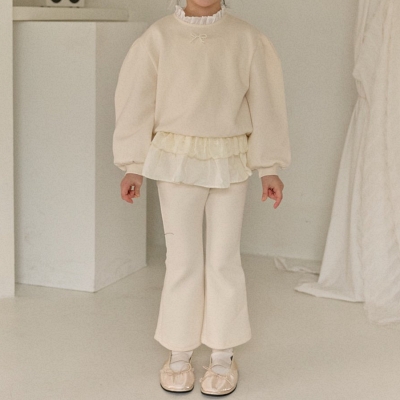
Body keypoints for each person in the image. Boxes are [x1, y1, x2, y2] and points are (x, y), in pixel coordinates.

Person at [112, 0, 291, 396]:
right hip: (176, 158)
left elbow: (266, 103)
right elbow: (137, 100)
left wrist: (269, 166)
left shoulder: (247, 38)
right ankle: (179, 351)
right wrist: (133, 163)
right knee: (182, 258)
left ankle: (223, 354)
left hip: (230, 157)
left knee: (224, 258)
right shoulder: (158, 37)